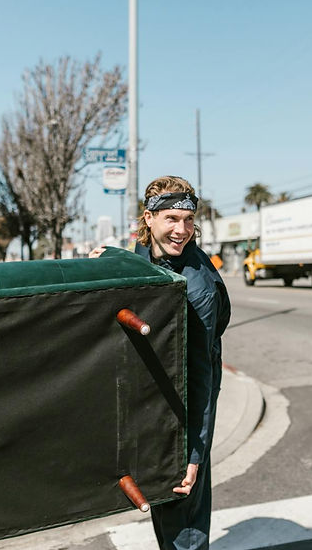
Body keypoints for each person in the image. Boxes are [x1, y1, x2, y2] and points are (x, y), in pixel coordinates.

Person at [91, 175, 230, 550]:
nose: (181, 230)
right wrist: (108, 260)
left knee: (183, 524)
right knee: (164, 511)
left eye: (188, 220)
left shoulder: (197, 288)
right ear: (148, 219)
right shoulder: (144, 249)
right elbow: (135, 267)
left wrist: (194, 454)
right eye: (171, 218)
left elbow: (203, 377)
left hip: (186, 407)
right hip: (157, 396)